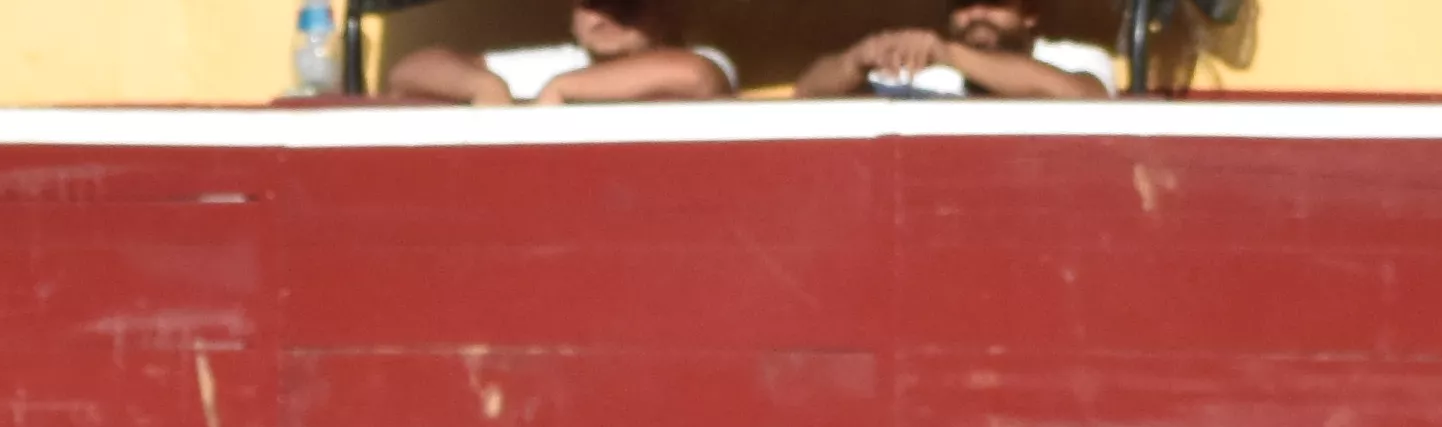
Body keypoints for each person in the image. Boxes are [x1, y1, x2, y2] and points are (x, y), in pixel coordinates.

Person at [381, 0, 740, 96]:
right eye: (590, 4)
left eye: (624, 4)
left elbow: (694, 77)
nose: (602, 19)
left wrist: (562, 90)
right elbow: (410, 69)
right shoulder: (561, 62)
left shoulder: (706, 59)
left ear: (666, 8)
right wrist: (484, 87)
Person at [797, 0, 1122, 86]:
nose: (977, 15)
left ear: (1030, 13)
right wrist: (857, 58)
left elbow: (1083, 95)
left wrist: (949, 53)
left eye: (994, 2)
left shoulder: (1074, 58)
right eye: (964, 4)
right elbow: (809, 90)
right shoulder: (924, 69)